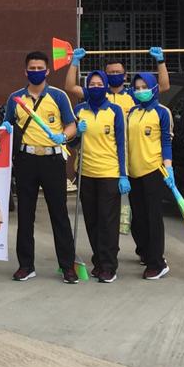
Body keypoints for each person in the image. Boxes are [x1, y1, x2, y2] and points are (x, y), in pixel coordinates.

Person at [2, 50, 79, 283]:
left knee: (60, 215)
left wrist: (63, 138)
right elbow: (7, 125)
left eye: (40, 69)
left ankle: (67, 266)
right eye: (31, 69)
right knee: (25, 215)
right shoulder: (15, 98)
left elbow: (71, 126)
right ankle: (26, 265)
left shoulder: (58, 96)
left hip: (52, 160)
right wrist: (5, 130)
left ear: (47, 71)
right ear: (25, 71)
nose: (36, 72)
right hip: (26, 161)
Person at [74, 70, 129, 282]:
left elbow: (122, 144)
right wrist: (77, 132)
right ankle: (98, 260)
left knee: (108, 221)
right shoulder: (80, 110)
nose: (95, 87)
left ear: (105, 86)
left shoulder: (115, 111)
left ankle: (109, 265)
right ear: (86, 87)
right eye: (92, 84)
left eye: (99, 83)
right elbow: (70, 143)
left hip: (109, 173)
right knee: (91, 219)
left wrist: (123, 175)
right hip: (85, 173)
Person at [126, 72, 174, 280]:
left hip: (154, 171)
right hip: (133, 172)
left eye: (144, 86)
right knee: (138, 218)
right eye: (136, 88)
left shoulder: (162, 112)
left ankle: (158, 262)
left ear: (153, 87)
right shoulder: (132, 113)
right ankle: (145, 253)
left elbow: (166, 141)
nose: (140, 91)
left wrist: (168, 167)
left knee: (153, 218)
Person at [66, 46, 171, 115]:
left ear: (125, 76)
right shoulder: (97, 93)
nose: (114, 75)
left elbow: (164, 86)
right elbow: (70, 87)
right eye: (111, 73)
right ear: (105, 76)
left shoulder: (134, 94)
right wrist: (75, 62)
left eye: (117, 72)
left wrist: (160, 61)